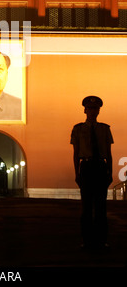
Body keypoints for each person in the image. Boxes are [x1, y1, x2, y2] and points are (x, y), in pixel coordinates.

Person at [70, 96, 114, 249]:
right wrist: (77, 174)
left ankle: (101, 241)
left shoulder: (105, 129)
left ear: (99, 111)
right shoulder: (78, 129)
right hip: (87, 168)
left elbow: (108, 153)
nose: (93, 111)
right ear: (85, 110)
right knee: (87, 207)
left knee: (101, 207)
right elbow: (76, 154)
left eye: (96, 109)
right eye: (90, 108)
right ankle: (87, 241)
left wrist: (110, 172)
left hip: (100, 167)